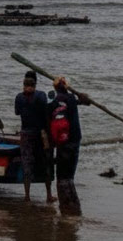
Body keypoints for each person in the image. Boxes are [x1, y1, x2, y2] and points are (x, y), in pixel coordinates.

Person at [47, 76, 91, 216]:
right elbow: (87, 101)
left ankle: (66, 207)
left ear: (55, 88)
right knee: (69, 176)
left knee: (62, 176)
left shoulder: (53, 101)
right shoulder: (71, 98)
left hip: (61, 142)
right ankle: (72, 207)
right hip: (74, 140)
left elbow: (48, 120)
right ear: (67, 87)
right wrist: (79, 94)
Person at [14, 70, 54, 202]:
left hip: (25, 133)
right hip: (40, 133)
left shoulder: (19, 97)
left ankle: (27, 196)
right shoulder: (41, 95)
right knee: (45, 163)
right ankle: (49, 195)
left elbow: (17, 112)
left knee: (27, 164)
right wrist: (48, 134)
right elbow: (46, 113)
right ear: (35, 83)